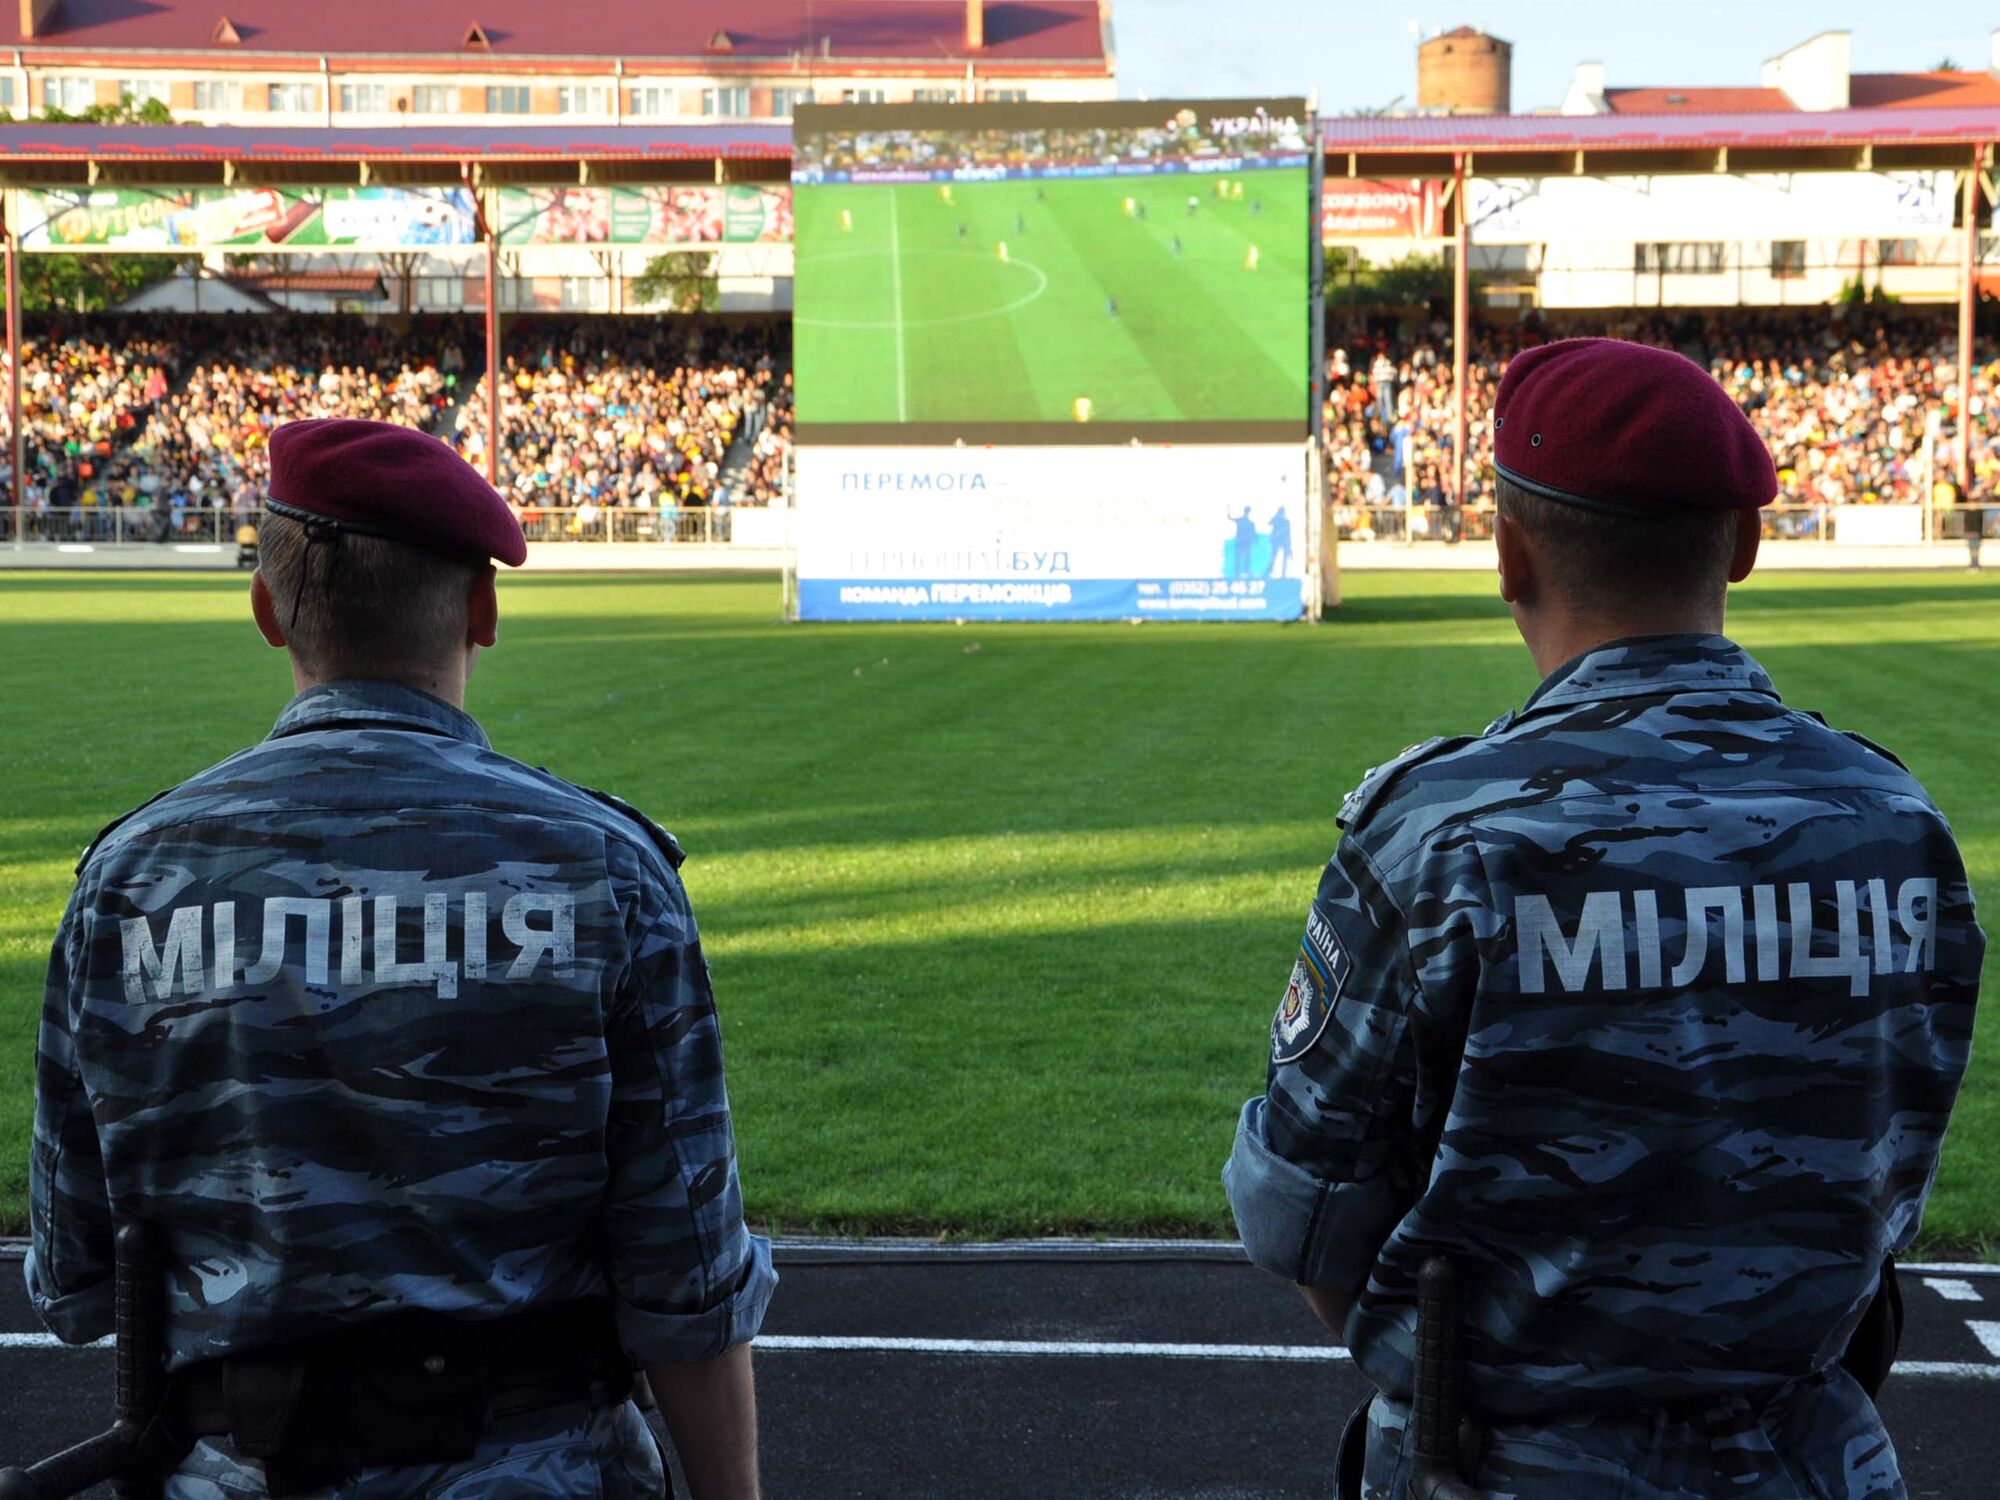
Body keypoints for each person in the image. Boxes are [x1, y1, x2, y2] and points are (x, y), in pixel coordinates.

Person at [1224, 339, 1983, 1500]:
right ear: (1744, 542)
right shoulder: (1893, 819)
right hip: (1814, 1463)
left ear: (1505, 553)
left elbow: (1305, 1219)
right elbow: (1888, 1185)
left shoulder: (1436, 830)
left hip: (1492, 1468)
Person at [26, 418, 775, 1499]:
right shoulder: (602, 871)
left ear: (266, 611)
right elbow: (688, 1275)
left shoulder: (130, 880)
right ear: (482, 609)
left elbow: (75, 1281)